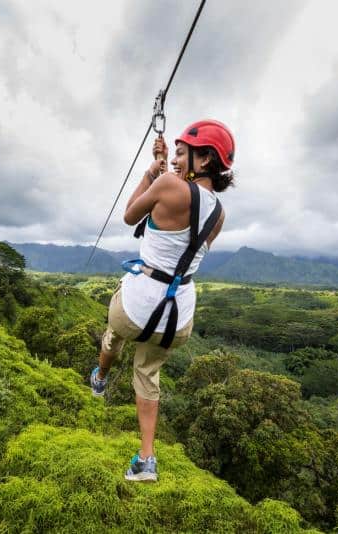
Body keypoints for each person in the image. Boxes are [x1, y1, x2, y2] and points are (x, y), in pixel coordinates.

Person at [90, 119, 235, 482]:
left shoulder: (168, 183)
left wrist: (150, 173)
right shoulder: (218, 214)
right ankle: (146, 460)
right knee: (148, 372)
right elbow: (186, 216)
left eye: (182, 154)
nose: (175, 161)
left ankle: (100, 378)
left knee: (115, 333)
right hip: (178, 318)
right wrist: (166, 166)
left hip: (138, 306)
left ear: (205, 160)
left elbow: (130, 215)